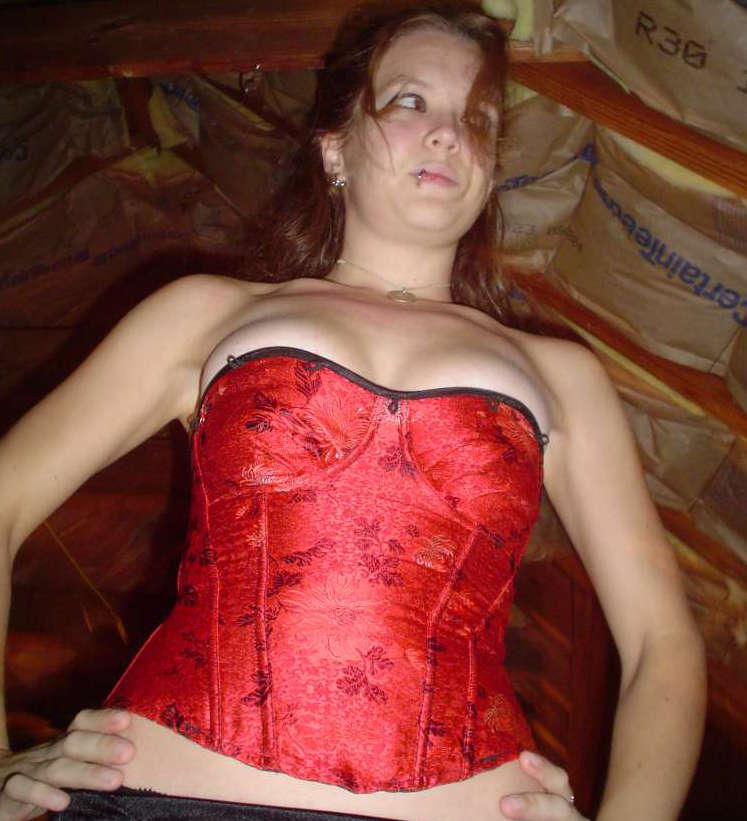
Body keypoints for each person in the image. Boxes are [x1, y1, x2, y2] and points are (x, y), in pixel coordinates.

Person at [0, 2, 706, 820]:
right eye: (410, 101)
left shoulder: (561, 374)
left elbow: (663, 640)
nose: (448, 134)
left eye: (476, 119)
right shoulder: (203, 313)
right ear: (334, 148)